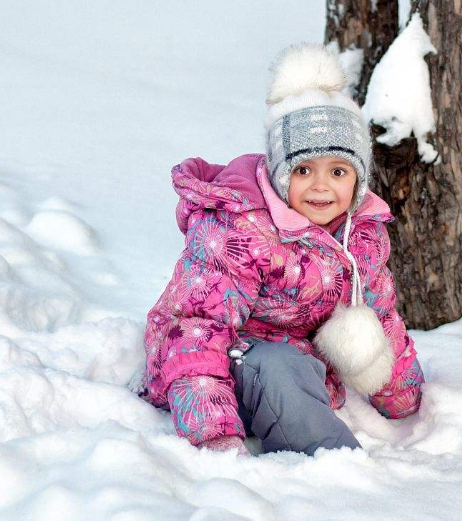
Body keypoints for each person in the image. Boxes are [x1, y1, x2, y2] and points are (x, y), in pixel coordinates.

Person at [140, 43, 425, 456]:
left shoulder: (360, 236)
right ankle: (339, 468)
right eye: (303, 169)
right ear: (279, 173)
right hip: (218, 370)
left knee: (289, 371)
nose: (321, 186)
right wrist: (212, 430)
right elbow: (196, 326)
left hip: (296, 371)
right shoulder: (240, 230)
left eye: (338, 171)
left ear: (359, 180)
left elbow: (379, 315)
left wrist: (404, 398)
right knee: (279, 369)